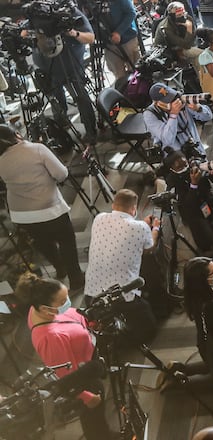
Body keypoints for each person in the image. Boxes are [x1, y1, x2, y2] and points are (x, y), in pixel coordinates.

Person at [16, 273, 116, 439]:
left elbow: (70, 316)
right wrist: (87, 397)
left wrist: (89, 320)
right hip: (84, 379)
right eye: (62, 302)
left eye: (67, 297)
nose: (67, 303)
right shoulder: (50, 338)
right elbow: (65, 375)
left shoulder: (39, 309)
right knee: (93, 420)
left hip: (88, 359)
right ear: (45, 309)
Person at [0, 125, 83, 289]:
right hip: (49, 208)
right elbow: (61, 174)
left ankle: (60, 269)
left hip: (21, 214)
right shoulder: (36, 149)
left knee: (43, 243)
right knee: (66, 241)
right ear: (16, 134)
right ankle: (76, 279)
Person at [83, 189, 159, 344]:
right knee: (149, 329)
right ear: (134, 209)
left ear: (113, 205)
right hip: (122, 295)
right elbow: (149, 247)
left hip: (92, 293)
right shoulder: (139, 227)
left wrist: (141, 225)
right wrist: (155, 228)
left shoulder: (99, 218)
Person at [161, 257, 213, 391]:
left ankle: (179, 368)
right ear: (202, 281)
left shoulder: (198, 296)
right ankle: (178, 384)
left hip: (209, 344)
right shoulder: (211, 307)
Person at [29, 3, 97, 146]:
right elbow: (23, 33)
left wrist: (73, 33)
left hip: (70, 68)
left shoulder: (68, 11)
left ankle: (91, 132)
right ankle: (61, 130)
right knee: (57, 103)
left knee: (81, 99)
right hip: (48, 71)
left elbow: (90, 38)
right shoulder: (35, 14)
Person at [144, 82, 213, 156]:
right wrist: (173, 115)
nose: (173, 101)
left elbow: (208, 117)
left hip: (195, 149)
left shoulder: (180, 99)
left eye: (172, 97)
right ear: (157, 103)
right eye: (167, 100)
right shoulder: (150, 114)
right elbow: (167, 140)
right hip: (175, 158)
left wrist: (198, 108)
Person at [154, 2, 203, 72]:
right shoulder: (166, 27)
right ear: (172, 16)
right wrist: (189, 29)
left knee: (197, 56)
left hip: (182, 45)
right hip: (167, 52)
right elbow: (186, 46)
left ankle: (201, 79)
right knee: (201, 54)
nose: (183, 16)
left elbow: (193, 39)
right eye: (179, 15)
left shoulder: (188, 18)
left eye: (184, 13)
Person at [103, 0, 142, 83]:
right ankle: (126, 92)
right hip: (109, 44)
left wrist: (118, 32)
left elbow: (131, 13)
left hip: (127, 38)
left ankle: (141, 91)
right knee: (119, 76)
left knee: (137, 71)